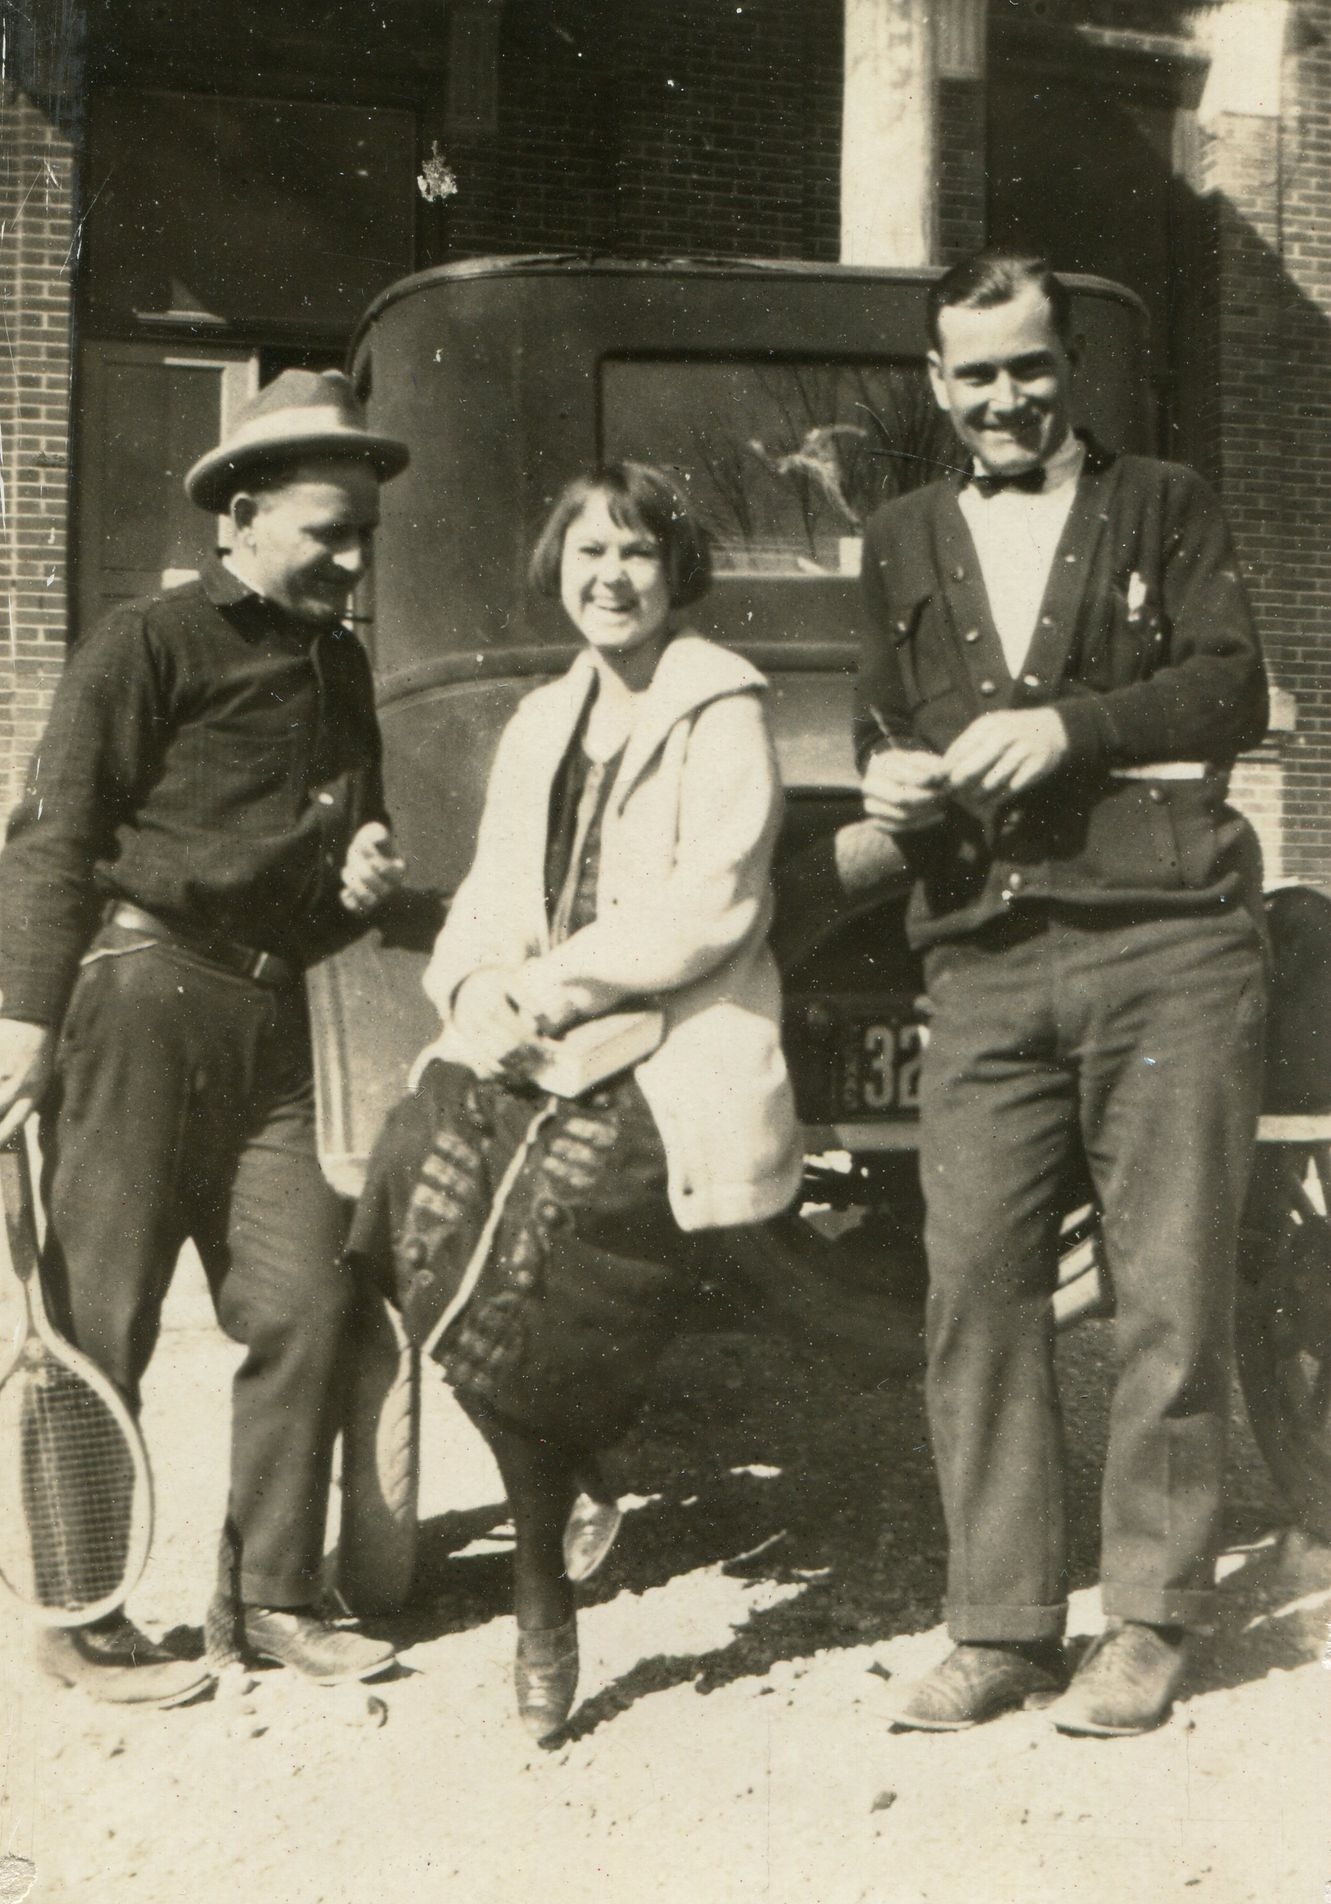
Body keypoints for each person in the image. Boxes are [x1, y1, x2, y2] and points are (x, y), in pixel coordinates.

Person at [857, 249, 1269, 1737]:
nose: (1003, 398)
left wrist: (1071, 729)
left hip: (1162, 943)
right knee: (973, 1289)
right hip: (980, 954)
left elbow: (1231, 686)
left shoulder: (1164, 503)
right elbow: (878, 715)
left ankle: (1150, 1616)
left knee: (1163, 1285)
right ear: (935, 384)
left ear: (1066, 367)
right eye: (973, 375)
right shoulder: (899, 535)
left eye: (1026, 367)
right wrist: (888, 773)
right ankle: (1001, 1626)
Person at [349, 462, 801, 1740]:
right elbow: (494, 886)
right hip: (538, 1026)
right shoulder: (544, 717)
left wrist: (552, 988)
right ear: (558, 567)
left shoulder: (720, 706)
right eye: (588, 553)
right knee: (409, 1179)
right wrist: (485, 982)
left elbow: (714, 905)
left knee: (547, 1239)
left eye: (637, 554)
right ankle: (577, 1467)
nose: (611, 577)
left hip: (674, 1039)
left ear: (676, 573)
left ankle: (542, 1583)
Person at [0, 370, 413, 1703]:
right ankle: (84, 1614)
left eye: (365, 534)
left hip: (269, 1017)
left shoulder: (341, 664)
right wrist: (20, 1024)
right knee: (96, 1321)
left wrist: (359, 876)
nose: (353, 561)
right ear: (242, 515)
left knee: (305, 1298)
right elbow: (54, 839)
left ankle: (275, 1595)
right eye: (326, 533)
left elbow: (342, 845)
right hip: (134, 1000)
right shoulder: (147, 643)